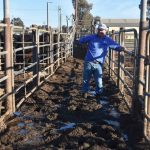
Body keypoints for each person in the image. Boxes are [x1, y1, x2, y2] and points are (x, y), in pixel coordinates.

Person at [79, 23, 124, 99]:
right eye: (100, 30)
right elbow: (81, 40)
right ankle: (84, 93)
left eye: (103, 30)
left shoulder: (107, 40)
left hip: (98, 63)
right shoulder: (91, 37)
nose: (101, 31)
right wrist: (82, 43)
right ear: (97, 30)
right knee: (86, 79)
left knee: (99, 80)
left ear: (106, 31)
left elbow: (115, 46)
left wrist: (121, 48)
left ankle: (98, 94)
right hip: (88, 62)